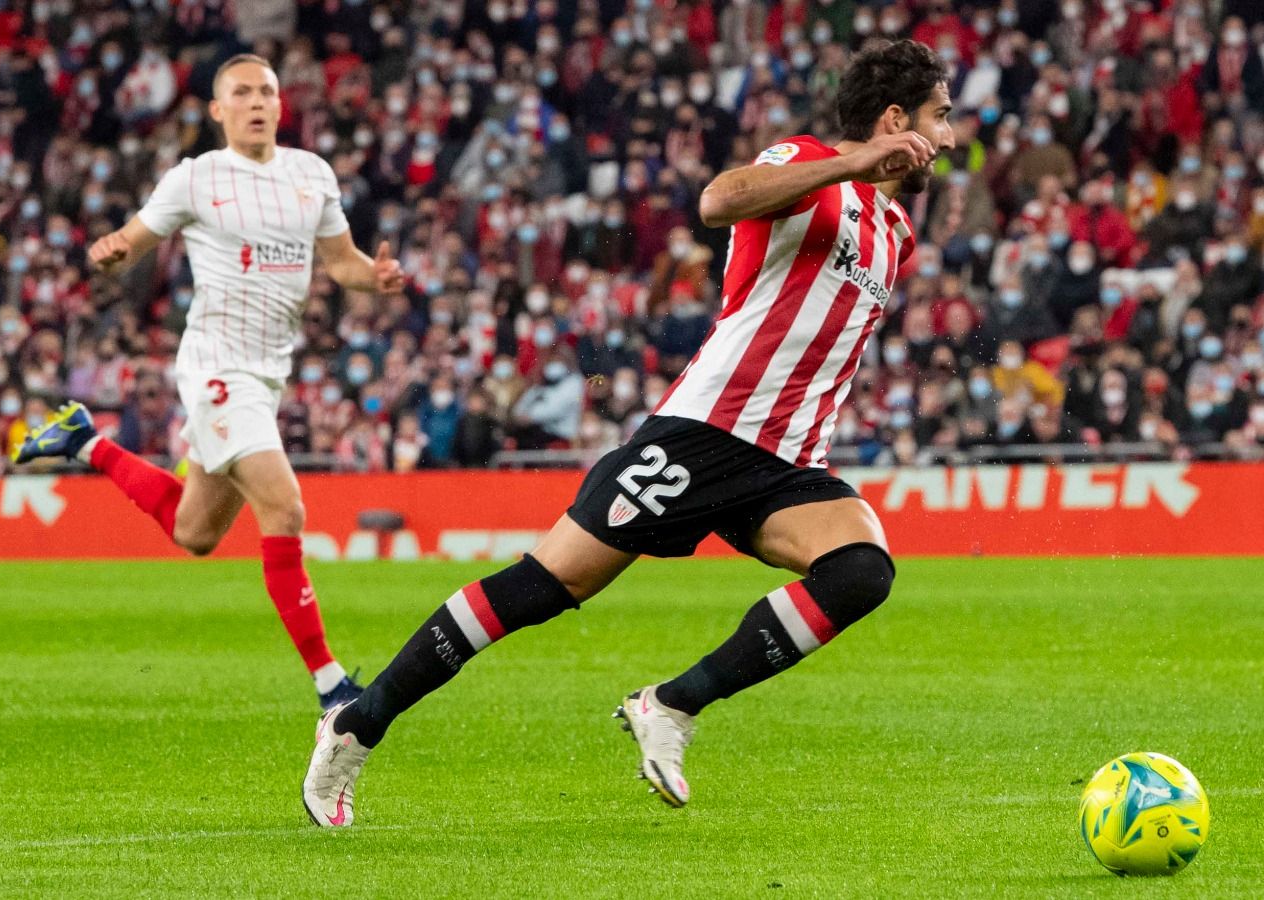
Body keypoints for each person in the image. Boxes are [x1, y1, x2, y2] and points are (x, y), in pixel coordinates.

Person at [302, 39, 954, 826]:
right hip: (705, 431)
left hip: (788, 463)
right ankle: (356, 725)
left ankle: (672, 707)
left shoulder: (897, 231)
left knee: (860, 572)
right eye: (939, 118)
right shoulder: (809, 164)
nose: (948, 137)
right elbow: (719, 200)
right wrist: (855, 163)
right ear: (894, 120)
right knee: (547, 586)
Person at [10, 55, 405, 710]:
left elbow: (343, 264)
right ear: (218, 111)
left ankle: (86, 442)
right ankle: (333, 687)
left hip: (267, 372)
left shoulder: (311, 175)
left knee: (196, 533)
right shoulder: (196, 179)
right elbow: (129, 241)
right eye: (241, 93)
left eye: (267, 92)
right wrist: (110, 251)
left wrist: (377, 277)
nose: (256, 102)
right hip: (216, 365)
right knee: (284, 506)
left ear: (282, 105)